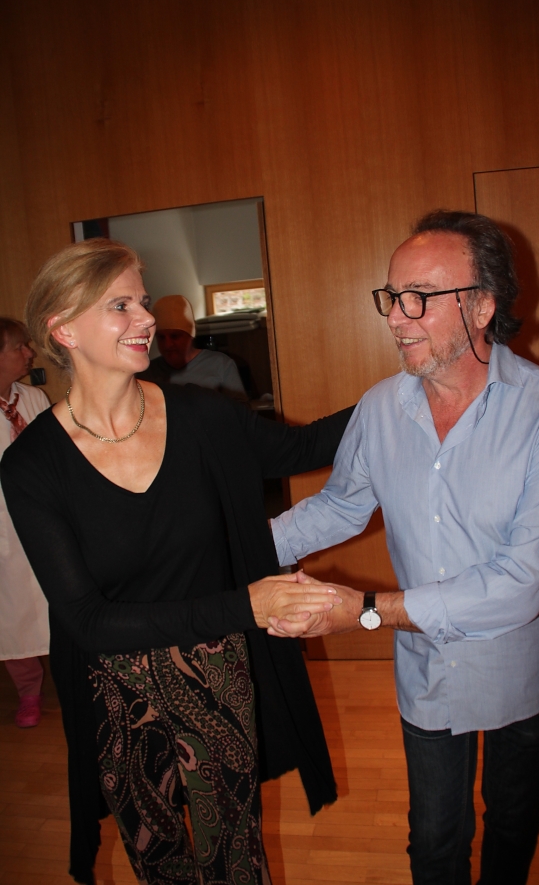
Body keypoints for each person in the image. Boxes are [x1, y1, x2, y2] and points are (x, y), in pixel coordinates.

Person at [0, 238, 352, 885]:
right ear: (64, 329)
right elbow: (88, 621)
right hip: (115, 690)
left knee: (236, 855)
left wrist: (411, 387)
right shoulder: (32, 465)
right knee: (159, 862)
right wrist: (248, 604)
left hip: (216, 670)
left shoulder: (201, 417)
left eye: (142, 301)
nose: (146, 318)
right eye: (120, 305)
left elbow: (306, 447)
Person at [270, 210, 539, 885]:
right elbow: (340, 506)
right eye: (393, 296)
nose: (396, 317)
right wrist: (227, 551)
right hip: (429, 668)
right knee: (435, 838)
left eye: (419, 296)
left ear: (482, 306)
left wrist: (365, 611)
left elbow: (520, 584)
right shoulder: (380, 407)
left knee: (512, 822)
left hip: (524, 668)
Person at [0, 317, 50, 727]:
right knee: (11, 609)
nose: (29, 353)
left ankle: (76, 674)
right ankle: (28, 691)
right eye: (19, 346)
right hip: (3, 525)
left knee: (58, 597)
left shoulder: (34, 398)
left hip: (44, 516)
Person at [138, 293, 248, 401]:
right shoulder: (146, 372)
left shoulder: (221, 364)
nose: (168, 344)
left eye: (175, 336)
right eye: (161, 337)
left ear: (190, 335)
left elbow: (240, 409)